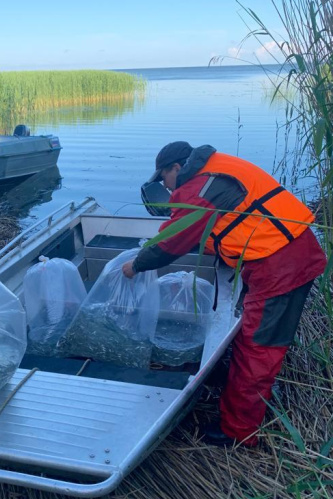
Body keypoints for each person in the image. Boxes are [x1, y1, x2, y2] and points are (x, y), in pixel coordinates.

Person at [122, 141, 327, 448]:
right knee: (263, 338)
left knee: (258, 346)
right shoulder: (217, 169)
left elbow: (171, 244)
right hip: (288, 252)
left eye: (163, 178)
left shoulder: (198, 188)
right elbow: (215, 226)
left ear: (176, 168)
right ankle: (261, 394)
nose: (164, 186)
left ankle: (239, 431)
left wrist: (135, 265)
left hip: (279, 266)